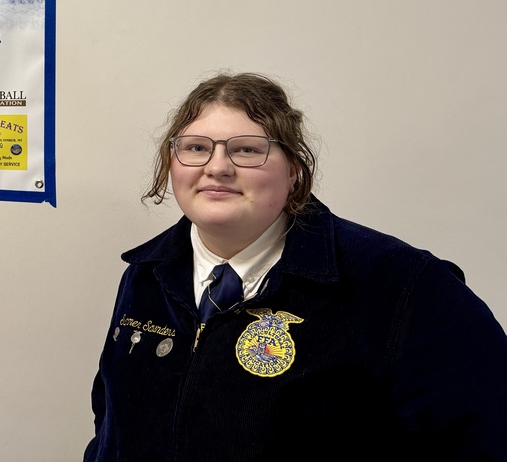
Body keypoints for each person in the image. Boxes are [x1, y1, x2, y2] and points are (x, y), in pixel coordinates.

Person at [83, 72, 507, 462]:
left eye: (247, 149)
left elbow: (482, 440)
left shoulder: (401, 285)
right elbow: (111, 426)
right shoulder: (146, 274)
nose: (216, 167)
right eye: (196, 148)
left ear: (295, 172)